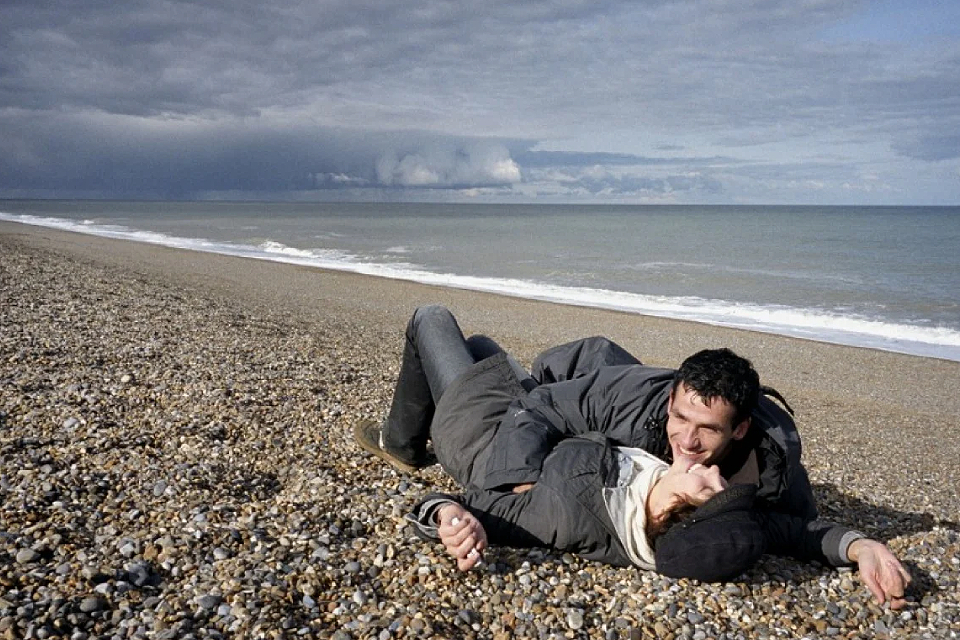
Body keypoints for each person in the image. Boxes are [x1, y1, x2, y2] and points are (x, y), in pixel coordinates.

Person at [355, 306, 911, 605]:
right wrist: (859, 545)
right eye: (680, 419)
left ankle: (400, 443)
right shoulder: (636, 403)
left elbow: (788, 526)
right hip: (524, 420)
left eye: (708, 432)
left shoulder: (576, 513)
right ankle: (454, 391)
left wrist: (480, 505)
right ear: (670, 400)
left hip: (476, 432)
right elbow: (795, 531)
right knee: (481, 349)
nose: (687, 444)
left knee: (432, 319)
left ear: (741, 429)